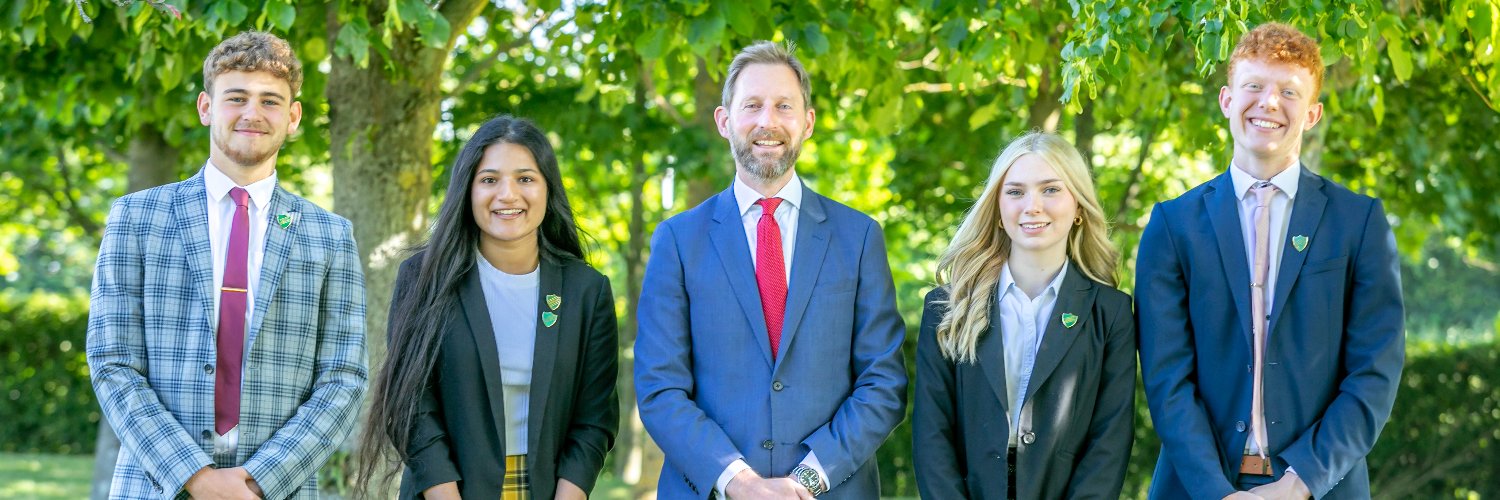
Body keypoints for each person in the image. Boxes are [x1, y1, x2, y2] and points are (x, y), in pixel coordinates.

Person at [86, 31, 367, 499]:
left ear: (293, 116)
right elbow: (113, 361)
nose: (253, 113)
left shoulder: (330, 235)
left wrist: (259, 482)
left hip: (280, 489)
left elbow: (343, 376)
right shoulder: (136, 217)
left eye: (270, 101)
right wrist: (196, 477)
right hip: (157, 484)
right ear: (205, 107)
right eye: (236, 97)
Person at [1136, 22, 1405, 499]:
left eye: (1289, 91)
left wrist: (1298, 484)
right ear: (1225, 100)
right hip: (1197, 486)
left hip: (1321, 486)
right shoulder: (1173, 225)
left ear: (1313, 113)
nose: (1269, 103)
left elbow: (1374, 373)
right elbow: (1166, 378)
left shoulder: (1358, 222)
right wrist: (1216, 493)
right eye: (1253, 86)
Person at [634, 41, 907, 499]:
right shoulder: (678, 241)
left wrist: (804, 482)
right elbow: (660, 388)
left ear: (808, 122)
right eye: (752, 106)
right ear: (724, 121)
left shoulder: (858, 237)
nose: (768, 122)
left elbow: (883, 382)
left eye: (784, 106)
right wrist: (738, 482)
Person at [356, 115, 618, 500]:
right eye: (490, 180)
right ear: (468, 190)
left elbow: (595, 419)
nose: (508, 195)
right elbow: (411, 406)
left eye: (525, 179)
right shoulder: (424, 278)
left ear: (548, 189)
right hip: (445, 492)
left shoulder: (587, 291)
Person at [911, 132, 1135, 499]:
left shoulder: (1110, 313)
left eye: (1050, 190)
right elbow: (932, 436)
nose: (1032, 206)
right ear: (998, 210)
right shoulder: (948, 309)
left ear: (1078, 206)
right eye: (1015, 192)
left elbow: (1109, 442)